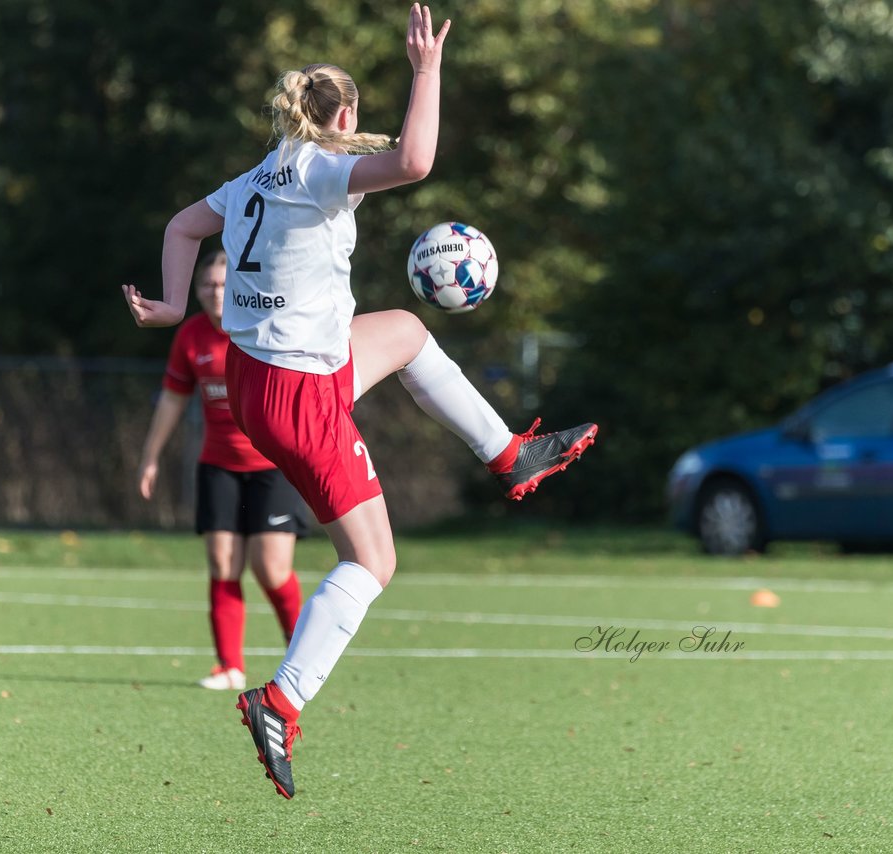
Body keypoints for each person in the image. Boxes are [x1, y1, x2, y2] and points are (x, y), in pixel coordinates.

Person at [126, 3, 596, 799]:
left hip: (255, 377)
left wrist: (176, 307)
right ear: (342, 116)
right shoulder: (318, 170)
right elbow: (414, 161)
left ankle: (512, 455)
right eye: (356, 117)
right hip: (297, 390)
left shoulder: (253, 179)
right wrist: (427, 70)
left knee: (407, 331)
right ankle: (281, 698)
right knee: (372, 560)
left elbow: (180, 227)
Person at [136, 250, 307, 692]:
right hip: (219, 465)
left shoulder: (261, 327)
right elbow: (173, 398)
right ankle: (229, 667)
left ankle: (306, 655)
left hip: (273, 465)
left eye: (222, 283)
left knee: (270, 568)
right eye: (206, 285)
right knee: (223, 562)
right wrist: (151, 455)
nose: (215, 292)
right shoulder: (190, 336)